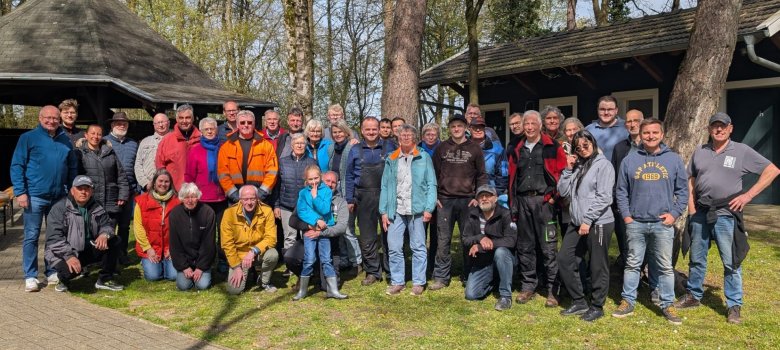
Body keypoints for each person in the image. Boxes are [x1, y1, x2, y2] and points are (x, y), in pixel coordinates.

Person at [675, 112, 780, 324]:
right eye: (715, 126)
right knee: (697, 258)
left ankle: (734, 305)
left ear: (730, 128)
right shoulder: (700, 152)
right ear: (709, 129)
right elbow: (691, 179)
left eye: (723, 126)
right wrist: (692, 207)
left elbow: (772, 170)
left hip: (725, 214)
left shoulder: (741, 151)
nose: (719, 129)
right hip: (701, 213)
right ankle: (694, 295)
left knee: (731, 261)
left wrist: (748, 195)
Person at [613, 118, 688, 325]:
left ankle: (667, 304)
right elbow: (621, 191)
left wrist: (674, 214)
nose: (650, 136)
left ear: (662, 135)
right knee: (632, 264)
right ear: (641, 134)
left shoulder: (673, 159)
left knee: (664, 266)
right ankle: (628, 301)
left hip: (662, 224)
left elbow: (683, 191)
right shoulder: (630, 159)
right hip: (636, 222)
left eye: (655, 133)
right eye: (646, 133)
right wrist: (627, 216)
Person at [11, 105, 77, 292]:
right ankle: (30, 275)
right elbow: (17, 166)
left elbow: (72, 166)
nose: (51, 121)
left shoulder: (65, 140)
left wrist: (70, 190)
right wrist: (20, 192)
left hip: (59, 197)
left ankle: (51, 270)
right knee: (31, 236)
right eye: (47, 118)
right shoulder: (28, 138)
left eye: (55, 118)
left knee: (54, 237)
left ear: (59, 119)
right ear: (40, 118)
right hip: (34, 196)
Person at [507, 110, 566, 307]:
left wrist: (552, 198)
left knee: (549, 248)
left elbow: (562, 173)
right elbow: (511, 177)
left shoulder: (552, 146)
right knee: (525, 247)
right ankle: (528, 286)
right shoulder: (516, 147)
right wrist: (513, 203)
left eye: (533, 123)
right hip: (523, 202)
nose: (530, 127)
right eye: (526, 124)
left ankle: (552, 289)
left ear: (540, 125)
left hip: (544, 203)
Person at [557, 130, 615, 322]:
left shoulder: (603, 165)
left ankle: (597, 305)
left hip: (597, 222)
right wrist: (567, 169)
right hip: (577, 221)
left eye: (586, 145)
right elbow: (563, 191)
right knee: (565, 258)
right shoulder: (578, 166)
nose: (582, 149)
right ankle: (579, 301)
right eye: (578, 147)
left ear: (593, 143)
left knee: (597, 264)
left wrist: (588, 220)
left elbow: (604, 197)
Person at [430, 114, 488, 291]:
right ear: (450, 129)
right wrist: (435, 197)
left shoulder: (475, 148)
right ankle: (441, 276)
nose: (456, 129)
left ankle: (469, 274)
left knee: (467, 239)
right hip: (445, 200)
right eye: (453, 126)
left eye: (460, 126)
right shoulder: (441, 148)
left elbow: (482, 175)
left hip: (467, 201)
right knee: (443, 239)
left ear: (466, 128)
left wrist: (478, 197)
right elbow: (433, 174)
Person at [380, 124, 437, 296]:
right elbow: (385, 186)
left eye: (408, 135)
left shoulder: (424, 157)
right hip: (395, 209)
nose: (405, 138)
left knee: (418, 246)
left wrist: (429, 208)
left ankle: (419, 282)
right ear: (398, 138)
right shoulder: (392, 158)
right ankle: (398, 281)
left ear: (414, 138)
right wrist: (383, 211)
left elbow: (431, 183)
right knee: (394, 246)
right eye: (402, 135)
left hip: (417, 210)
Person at [44, 176, 124, 292]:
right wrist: (69, 256)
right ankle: (63, 279)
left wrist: (104, 234)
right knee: (68, 272)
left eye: (87, 189)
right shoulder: (59, 208)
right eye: (79, 188)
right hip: (65, 252)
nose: (83, 192)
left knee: (114, 240)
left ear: (91, 191)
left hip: (89, 248)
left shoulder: (97, 205)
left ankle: (105, 279)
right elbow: (54, 238)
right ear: (72, 190)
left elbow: (107, 225)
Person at [345, 117, 397, 285]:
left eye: (374, 129)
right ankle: (373, 271)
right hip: (364, 197)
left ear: (379, 129)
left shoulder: (390, 147)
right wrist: (350, 198)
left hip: (386, 195)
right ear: (362, 131)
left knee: (389, 236)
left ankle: (391, 271)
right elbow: (349, 175)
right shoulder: (355, 150)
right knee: (367, 237)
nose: (371, 132)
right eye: (368, 129)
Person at [293, 165, 347, 300]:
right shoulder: (303, 193)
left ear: (320, 177)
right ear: (306, 179)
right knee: (309, 259)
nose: (314, 182)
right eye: (310, 179)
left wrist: (316, 197)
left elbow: (324, 209)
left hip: (324, 231)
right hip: (312, 229)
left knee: (326, 259)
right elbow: (302, 211)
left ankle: (333, 290)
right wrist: (316, 220)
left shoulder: (326, 192)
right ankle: (302, 291)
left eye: (316, 178)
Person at [462, 185, 517, 311]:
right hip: (483, 262)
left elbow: (511, 240)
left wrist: (482, 246)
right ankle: (494, 281)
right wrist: (480, 237)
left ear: (496, 198)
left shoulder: (505, 214)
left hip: (504, 259)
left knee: (501, 252)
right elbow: (465, 239)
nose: (484, 199)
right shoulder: (472, 215)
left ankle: (505, 296)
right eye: (481, 196)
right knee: (471, 295)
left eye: (488, 196)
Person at [185, 117, 228, 270]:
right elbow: (189, 175)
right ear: (201, 132)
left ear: (217, 130)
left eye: (212, 128)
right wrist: (190, 194)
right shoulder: (195, 150)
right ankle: (204, 262)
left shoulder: (224, 147)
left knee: (223, 232)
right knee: (203, 233)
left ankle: (223, 260)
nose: (210, 131)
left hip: (222, 197)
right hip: (202, 198)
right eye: (206, 129)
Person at [221, 185, 279, 295]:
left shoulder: (267, 211)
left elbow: (271, 238)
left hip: (258, 253)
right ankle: (247, 272)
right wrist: (236, 267)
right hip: (240, 256)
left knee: (273, 254)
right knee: (234, 290)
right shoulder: (229, 213)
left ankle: (263, 281)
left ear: (257, 198)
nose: (249, 202)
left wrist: (254, 251)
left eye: (252, 198)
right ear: (240, 200)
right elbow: (227, 244)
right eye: (245, 199)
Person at [75, 125, 130, 230]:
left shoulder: (110, 152)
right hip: (90, 201)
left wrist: (123, 195)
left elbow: (121, 175)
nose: (96, 136)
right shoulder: (80, 153)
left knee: (109, 235)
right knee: (90, 234)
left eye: (99, 134)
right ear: (86, 135)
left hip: (110, 200)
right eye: (93, 133)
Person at [217, 110, 278, 204]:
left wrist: (262, 193)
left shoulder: (266, 145)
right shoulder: (226, 147)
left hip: (260, 197)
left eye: (249, 122)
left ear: (254, 125)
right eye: (242, 122)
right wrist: (234, 195)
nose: (246, 125)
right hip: (235, 198)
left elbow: (272, 172)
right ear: (237, 125)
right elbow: (223, 174)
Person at [610, 109, 644, 272]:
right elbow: (615, 177)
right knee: (625, 243)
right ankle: (629, 280)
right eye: (629, 121)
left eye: (636, 120)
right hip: (624, 205)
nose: (632, 124)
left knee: (647, 244)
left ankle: (644, 276)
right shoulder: (619, 148)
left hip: (645, 204)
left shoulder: (652, 146)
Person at [104, 112, 140, 265]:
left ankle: (122, 253)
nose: (121, 125)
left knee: (125, 226)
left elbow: (137, 166)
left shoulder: (133, 144)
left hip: (130, 191)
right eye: (118, 123)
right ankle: (107, 256)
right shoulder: (104, 142)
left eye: (124, 123)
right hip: (110, 192)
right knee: (109, 225)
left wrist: (137, 187)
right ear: (112, 125)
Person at [326, 119, 361, 270]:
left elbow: (353, 173)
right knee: (337, 226)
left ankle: (356, 261)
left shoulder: (353, 146)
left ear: (346, 132)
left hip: (347, 190)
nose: (338, 134)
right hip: (334, 191)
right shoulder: (331, 149)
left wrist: (350, 198)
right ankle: (344, 259)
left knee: (348, 228)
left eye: (340, 131)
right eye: (335, 132)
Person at [134, 169, 181, 282]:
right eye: (160, 181)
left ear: (170, 184)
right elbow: (138, 227)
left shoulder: (178, 201)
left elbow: (181, 228)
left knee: (173, 276)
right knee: (153, 277)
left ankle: (165, 263)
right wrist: (148, 249)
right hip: (151, 247)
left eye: (166, 182)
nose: (163, 184)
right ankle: (148, 262)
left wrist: (173, 248)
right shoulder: (142, 201)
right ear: (154, 183)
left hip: (170, 247)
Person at [273, 133, 318, 253]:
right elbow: (277, 185)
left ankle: (307, 261)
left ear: (306, 145)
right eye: (297, 143)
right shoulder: (282, 162)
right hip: (286, 205)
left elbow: (317, 184)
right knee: (289, 237)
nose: (299, 145)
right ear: (292, 145)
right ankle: (289, 264)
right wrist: (277, 205)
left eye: (302, 143)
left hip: (306, 206)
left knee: (307, 235)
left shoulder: (312, 162)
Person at [169, 183, 216, 291]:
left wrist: (200, 267)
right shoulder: (175, 214)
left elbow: (209, 244)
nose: (190, 200)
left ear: (198, 197)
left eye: (193, 196)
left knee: (202, 285)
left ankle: (207, 270)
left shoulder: (208, 212)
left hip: (202, 260)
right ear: (182, 198)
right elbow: (175, 244)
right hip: (185, 260)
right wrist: (184, 267)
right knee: (183, 286)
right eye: (186, 197)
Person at [156, 104, 202, 190]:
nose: (184, 121)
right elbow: (160, 167)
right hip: (174, 191)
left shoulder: (202, 140)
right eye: (181, 118)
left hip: (197, 192)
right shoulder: (167, 140)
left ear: (193, 119)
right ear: (177, 119)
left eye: (188, 117)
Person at [469, 115, 507, 193]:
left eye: (481, 127)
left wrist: (496, 193)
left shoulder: (498, 149)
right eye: (475, 127)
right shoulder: (463, 147)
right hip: (467, 195)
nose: (478, 130)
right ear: (470, 129)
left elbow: (504, 175)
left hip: (489, 195)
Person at [585, 96, 629, 161]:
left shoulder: (627, 127)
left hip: (620, 170)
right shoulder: (588, 130)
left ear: (616, 110)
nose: (606, 113)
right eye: (602, 109)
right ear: (597, 110)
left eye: (610, 109)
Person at [135, 113, 170, 191]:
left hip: (168, 187)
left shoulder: (175, 142)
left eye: (163, 122)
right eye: (157, 123)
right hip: (148, 188)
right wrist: (145, 183)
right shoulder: (145, 142)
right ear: (154, 125)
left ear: (168, 122)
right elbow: (138, 164)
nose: (160, 125)